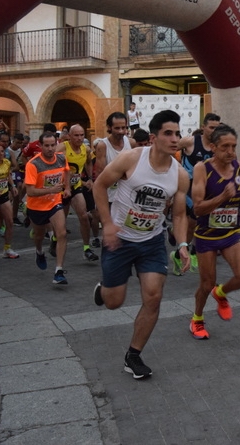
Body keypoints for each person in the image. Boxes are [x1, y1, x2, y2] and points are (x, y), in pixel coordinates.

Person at [92, 109, 191, 379]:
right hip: (120, 240)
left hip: (152, 242)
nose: (174, 139)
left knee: (154, 296)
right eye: (168, 133)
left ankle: (133, 355)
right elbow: (99, 186)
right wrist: (108, 225)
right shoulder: (132, 159)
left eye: (178, 134)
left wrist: (182, 244)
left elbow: (179, 213)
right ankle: (104, 291)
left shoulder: (180, 175)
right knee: (114, 302)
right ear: (153, 137)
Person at [189, 124, 240, 340]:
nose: (230, 151)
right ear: (212, 147)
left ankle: (222, 292)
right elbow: (197, 208)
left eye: (233, 146)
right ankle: (197, 319)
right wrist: (221, 198)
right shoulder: (202, 168)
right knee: (206, 283)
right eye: (225, 146)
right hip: (207, 235)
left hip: (230, 233)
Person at [172, 112, 221, 273]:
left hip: (206, 189)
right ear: (203, 127)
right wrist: (176, 168)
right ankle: (185, 251)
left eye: (217, 128)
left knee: (200, 221)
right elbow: (170, 150)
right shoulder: (190, 141)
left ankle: (185, 251)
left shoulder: (218, 145)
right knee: (194, 218)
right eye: (211, 127)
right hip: (188, 188)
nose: (214, 131)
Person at [24, 132, 71, 284]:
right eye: (47, 146)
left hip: (54, 203)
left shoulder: (62, 158)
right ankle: (39, 251)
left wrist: (67, 187)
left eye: (53, 145)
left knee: (62, 233)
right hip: (36, 206)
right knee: (38, 236)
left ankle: (58, 271)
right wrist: (51, 189)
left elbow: (67, 171)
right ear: (41, 146)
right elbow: (30, 191)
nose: (50, 149)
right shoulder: (33, 164)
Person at [55, 124, 99, 262]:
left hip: (76, 187)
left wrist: (90, 179)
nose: (79, 138)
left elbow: (88, 163)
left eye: (82, 135)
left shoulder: (85, 149)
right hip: (61, 189)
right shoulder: (63, 147)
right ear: (69, 136)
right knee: (61, 223)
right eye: (76, 135)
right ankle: (54, 239)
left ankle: (86, 249)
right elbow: (51, 162)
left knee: (84, 216)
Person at [94, 112, 134, 205]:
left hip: (128, 197)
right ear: (109, 127)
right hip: (110, 198)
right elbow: (100, 175)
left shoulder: (131, 143)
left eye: (123, 128)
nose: (121, 131)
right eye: (117, 128)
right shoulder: (103, 146)